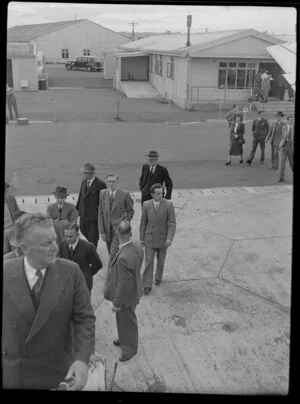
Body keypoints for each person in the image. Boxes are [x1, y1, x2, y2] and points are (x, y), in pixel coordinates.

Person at [2, 213, 95, 390]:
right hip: (15, 376)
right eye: (46, 243)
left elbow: (84, 319)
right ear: (25, 248)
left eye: (55, 240)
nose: (56, 247)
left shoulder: (71, 272)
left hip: (57, 374)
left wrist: (82, 359)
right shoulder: (6, 273)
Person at [104, 221, 144, 362]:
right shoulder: (138, 247)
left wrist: (116, 303)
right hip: (135, 290)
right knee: (123, 321)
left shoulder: (122, 258)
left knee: (127, 321)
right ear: (131, 233)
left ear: (117, 234)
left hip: (126, 297)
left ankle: (129, 349)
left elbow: (123, 284)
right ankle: (123, 339)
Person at [139, 183, 176, 295]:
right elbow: (143, 223)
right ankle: (146, 285)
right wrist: (141, 238)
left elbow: (172, 223)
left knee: (161, 261)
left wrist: (169, 238)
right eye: (158, 193)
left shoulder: (168, 205)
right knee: (149, 262)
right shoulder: (146, 205)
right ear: (152, 194)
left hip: (163, 239)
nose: (161, 195)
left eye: (162, 193)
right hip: (149, 238)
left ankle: (158, 277)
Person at [98, 172, 134, 261]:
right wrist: (101, 231)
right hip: (107, 230)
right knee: (111, 253)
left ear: (117, 181)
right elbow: (100, 213)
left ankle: (115, 272)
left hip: (119, 230)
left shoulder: (125, 194)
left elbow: (130, 211)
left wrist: (124, 224)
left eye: (113, 181)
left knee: (116, 254)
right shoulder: (102, 193)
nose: (111, 183)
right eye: (109, 181)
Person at [58, 223, 102, 293]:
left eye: (70, 236)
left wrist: (87, 274)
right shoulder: (62, 243)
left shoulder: (88, 247)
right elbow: (60, 260)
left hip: (84, 284)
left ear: (77, 235)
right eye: (66, 236)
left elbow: (98, 265)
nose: (68, 239)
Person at [76, 163, 107, 248]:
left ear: (90, 174)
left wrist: (102, 217)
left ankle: (92, 256)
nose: (83, 174)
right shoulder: (83, 182)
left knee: (93, 239)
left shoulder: (100, 184)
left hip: (94, 218)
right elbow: (80, 197)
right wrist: (78, 210)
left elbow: (103, 203)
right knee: (84, 233)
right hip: (83, 216)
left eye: (85, 173)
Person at [278, 115, 294, 182]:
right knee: (282, 163)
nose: (292, 121)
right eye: (290, 120)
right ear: (287, 121)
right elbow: (281, 136)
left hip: (291, 148)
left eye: (292, 120)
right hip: (284, 147)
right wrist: (283, 140)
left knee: (292, 163)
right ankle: (281, 178)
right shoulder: (284, 127)